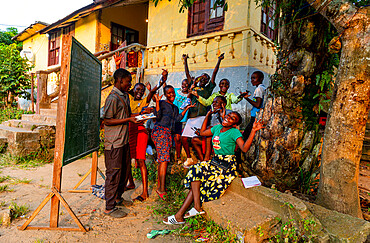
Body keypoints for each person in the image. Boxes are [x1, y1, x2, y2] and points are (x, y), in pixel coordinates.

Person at [163, 111, 264, 225]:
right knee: (196, 171)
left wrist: (253, 131)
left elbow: (244, 148)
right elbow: (202, 132)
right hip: (215, 162)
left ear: (234, 124)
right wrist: (207, 115)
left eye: (232, 118)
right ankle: (191, 210)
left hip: (226, 165)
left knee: (197, 174)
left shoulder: (234, 132)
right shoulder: (217, 128)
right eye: (228, 115)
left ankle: (183, 214)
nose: (228, 118)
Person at [103, 68, 140, 218]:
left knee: (124, 172)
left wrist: (141, 115)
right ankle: (109, 207)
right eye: (128, 82)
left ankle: (118, 198)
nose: (129, 85)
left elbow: (127, 115)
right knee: (113, 174)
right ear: (119, 81)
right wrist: (128, 120)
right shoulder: (112, 98)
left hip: (123, 142)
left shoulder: (124, 96)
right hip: (114, 144)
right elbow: (107, 120)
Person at [127, 71, 168, 202]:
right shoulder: (126, 98)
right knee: (127, 158)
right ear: (133, 89)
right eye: (137, 89)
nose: (140, 92)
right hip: (128, 131)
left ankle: (145, 192)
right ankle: (131, 183)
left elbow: (154, 90)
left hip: (140, 131)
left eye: (142, 90)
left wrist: (162, 79)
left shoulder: (145, 101)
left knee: (141, 160)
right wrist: (139, 112)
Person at [152, 85, 196, 199]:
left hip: (167, 133)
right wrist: (157, 102)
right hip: (160, 131)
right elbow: (157, 116)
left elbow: (177, 119)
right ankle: (161, 189)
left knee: (163, 159)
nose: (171, 95)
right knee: (164, 160)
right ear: (165, 94)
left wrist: (186, 108)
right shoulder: (161, 103)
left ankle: (160, 186)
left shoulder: (175, 108)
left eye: (173, 93)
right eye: (169, 93)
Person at [182, 53, 224, 167]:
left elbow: (214, 73)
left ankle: (204, 160)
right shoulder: (193, 86)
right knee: (184, 138)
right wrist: (185, 60)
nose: (203, 79)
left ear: (207, 81)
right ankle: (189, 158)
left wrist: (219, 60)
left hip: (202, 117)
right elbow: (187, 73)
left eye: (206, 79)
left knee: (199, 137)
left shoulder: (208, 89)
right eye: (202, 77)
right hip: (192, 116)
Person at [191, 96, 232, 162]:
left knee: (210, 131)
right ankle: (203, 161)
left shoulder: (229, 113)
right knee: (194, 140)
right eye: (213, 102)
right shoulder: (214, 115)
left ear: (223, 104)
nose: (214, 104)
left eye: (217, 102)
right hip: (213, 139)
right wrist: (200, 131)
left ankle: (206, 158)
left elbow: (229, 127)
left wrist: (222, 116)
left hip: (223, 138)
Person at [240, 71, 266, 140]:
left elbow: (257, 105)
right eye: (251, 78)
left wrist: (246, 98)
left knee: (246, 135)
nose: (252, 80)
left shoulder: (259, 89)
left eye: (254, 78)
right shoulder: (262, 88)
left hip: (255, 115)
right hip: (256, 115)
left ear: (260, 79)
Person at [173, 79, 190, 164]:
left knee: (182, 138)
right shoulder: (175, 91)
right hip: (175, 118)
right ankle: (178, 157)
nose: (184, 86)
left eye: (186, 84)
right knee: (177, 138)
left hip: (184, 119)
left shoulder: (190, 95)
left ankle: (184, 157)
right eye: (183, 84)